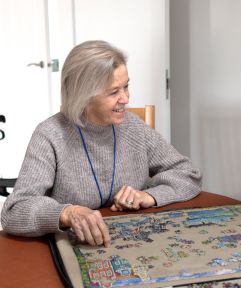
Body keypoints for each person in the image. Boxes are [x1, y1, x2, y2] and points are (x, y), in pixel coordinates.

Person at [1, 40, 202, 248]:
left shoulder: (134, 127)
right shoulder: (50, 134)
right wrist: (67, 213)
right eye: (114, 92)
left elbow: (188, 174)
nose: (125, 98)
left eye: (126, 86)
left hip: (136, 245)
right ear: (84, 95)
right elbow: (14, 211)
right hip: (73, 248)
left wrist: (150, 195)